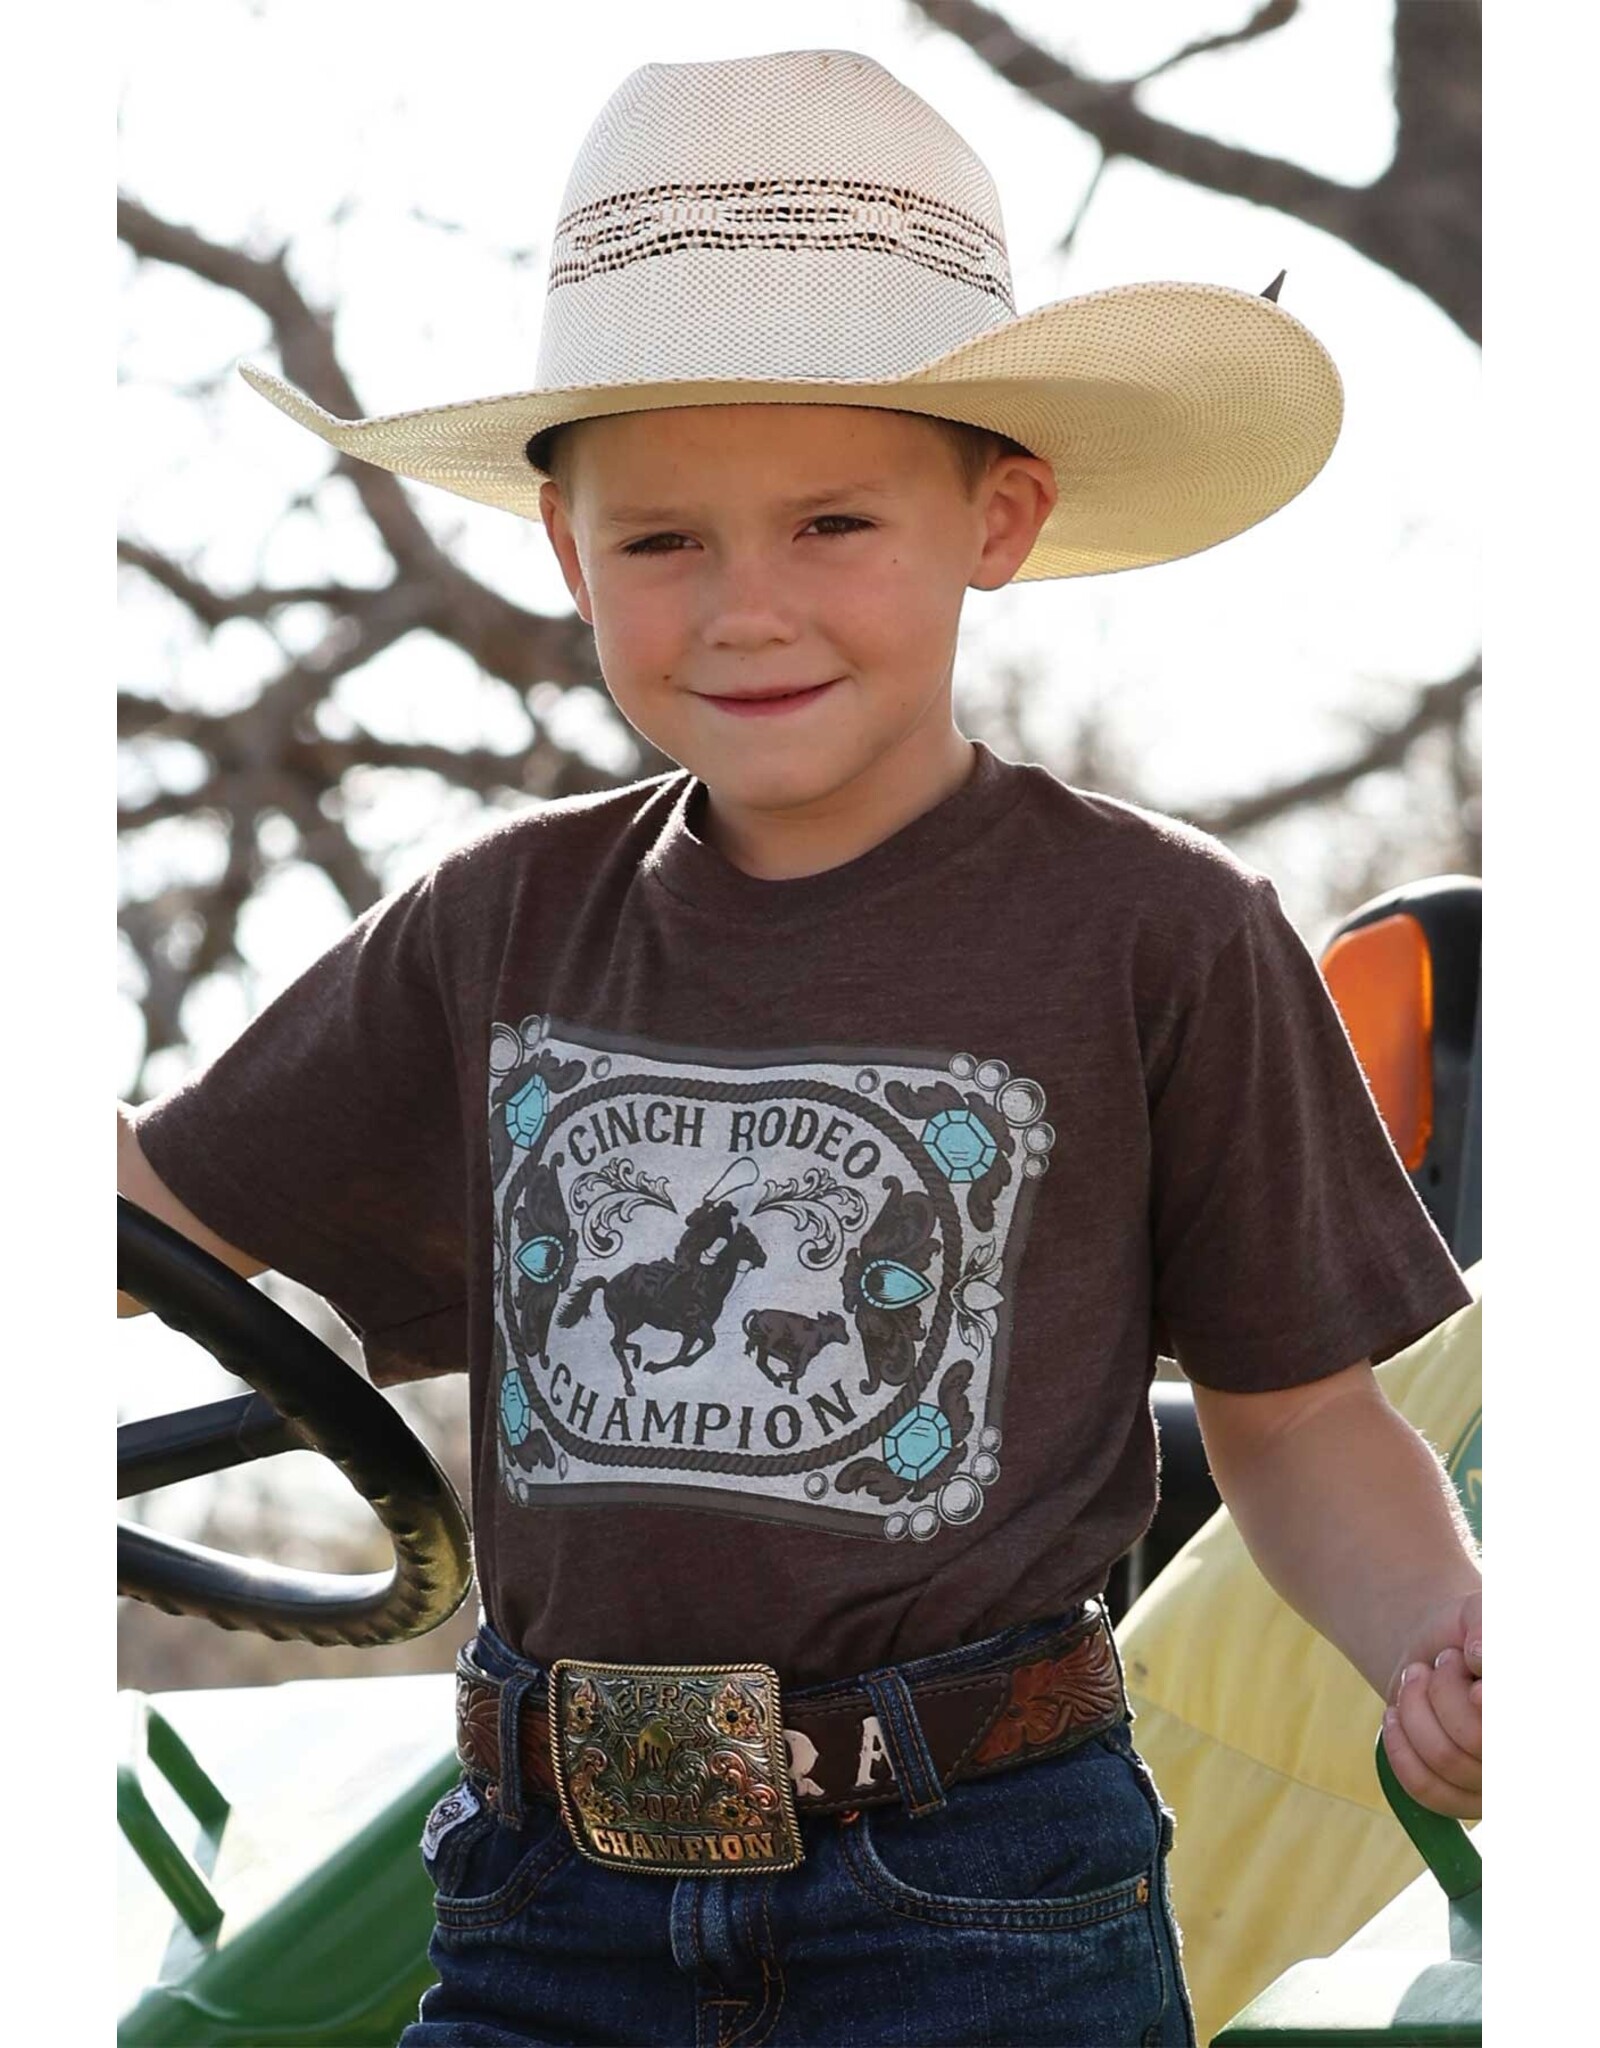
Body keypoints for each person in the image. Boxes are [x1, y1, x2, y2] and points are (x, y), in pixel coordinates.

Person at [117, 48, 1482, 2048]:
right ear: (566, 550)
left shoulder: (1157, 932)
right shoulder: (494, 925)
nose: (745, 609)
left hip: (976, 1890)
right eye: (662, 542)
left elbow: (1298, 1423)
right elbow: (142, 1217)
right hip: (540, 1896)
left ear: (995, 517)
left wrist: (1450, 1641)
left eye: (831, 520)